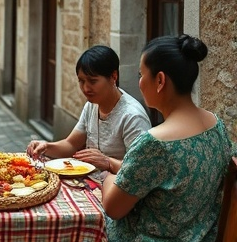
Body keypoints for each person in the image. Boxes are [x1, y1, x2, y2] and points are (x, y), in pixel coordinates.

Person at [43, 34, 234, 242]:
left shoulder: (154, 142)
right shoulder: (216, 126)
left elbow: (114, 208)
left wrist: (108, 170)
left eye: (141, 74)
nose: (139, 82)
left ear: (160, 80)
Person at [27, 45, 151, 176]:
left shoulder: (132, 116)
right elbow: (71, 144)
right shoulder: (92, 105)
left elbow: (142, 171)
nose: (86, 88)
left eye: (93, 81)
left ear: (113, 76)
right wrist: (46, 147)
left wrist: (107, 162)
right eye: (81, 81)